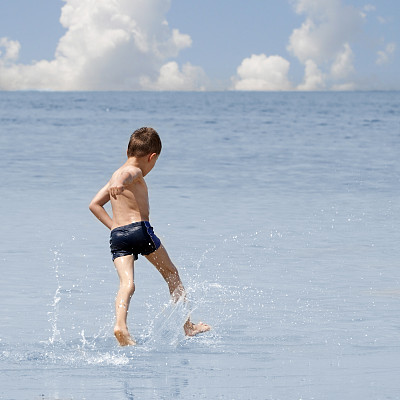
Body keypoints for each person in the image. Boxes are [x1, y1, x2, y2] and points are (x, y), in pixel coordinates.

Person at [89, 127, 210, 346]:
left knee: (127, 283)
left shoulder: (117, 177)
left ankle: (120, 325)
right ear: (151, 157)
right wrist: (118, 179)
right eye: (153, 163)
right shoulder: (133, 172)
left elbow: (94, 205)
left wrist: (114, 227)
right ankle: (188, 326)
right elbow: (127, 173)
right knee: (172, 274)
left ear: (127, 150)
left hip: (118, 236)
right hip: (140, 230)